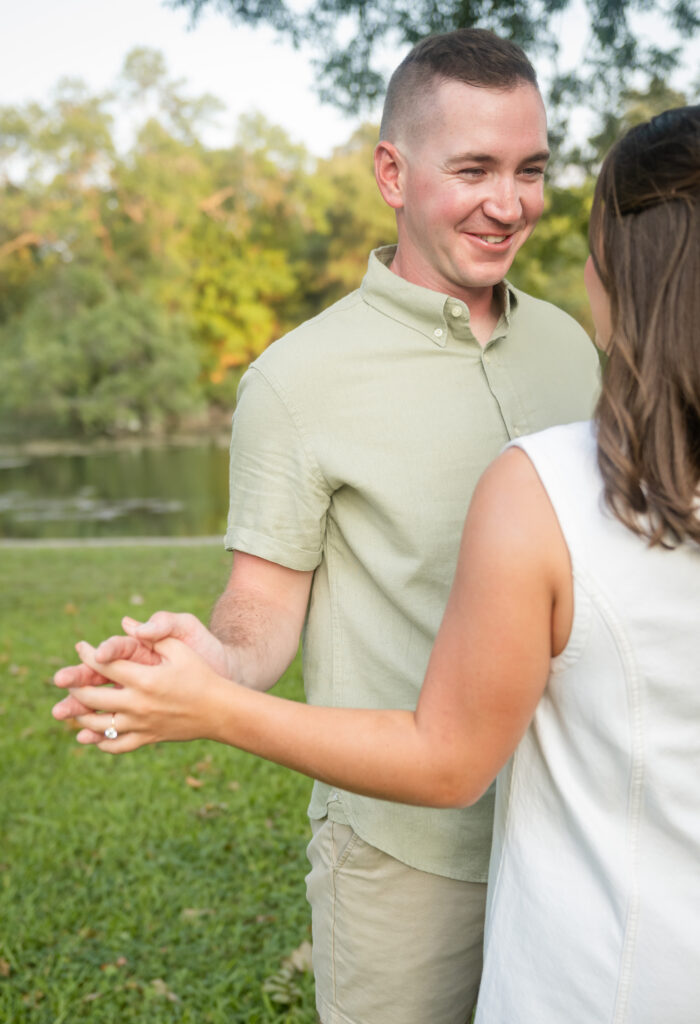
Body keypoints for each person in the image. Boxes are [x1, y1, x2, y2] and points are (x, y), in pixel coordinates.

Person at [52, 29, 601, 1024]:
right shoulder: (294, 381)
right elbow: (263, 616)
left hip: (578, 837)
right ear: (392, 171)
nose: (507, 203)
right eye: (471, 168)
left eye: (529, 170)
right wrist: (208, 659)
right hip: (406, 860)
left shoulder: (572, 344)